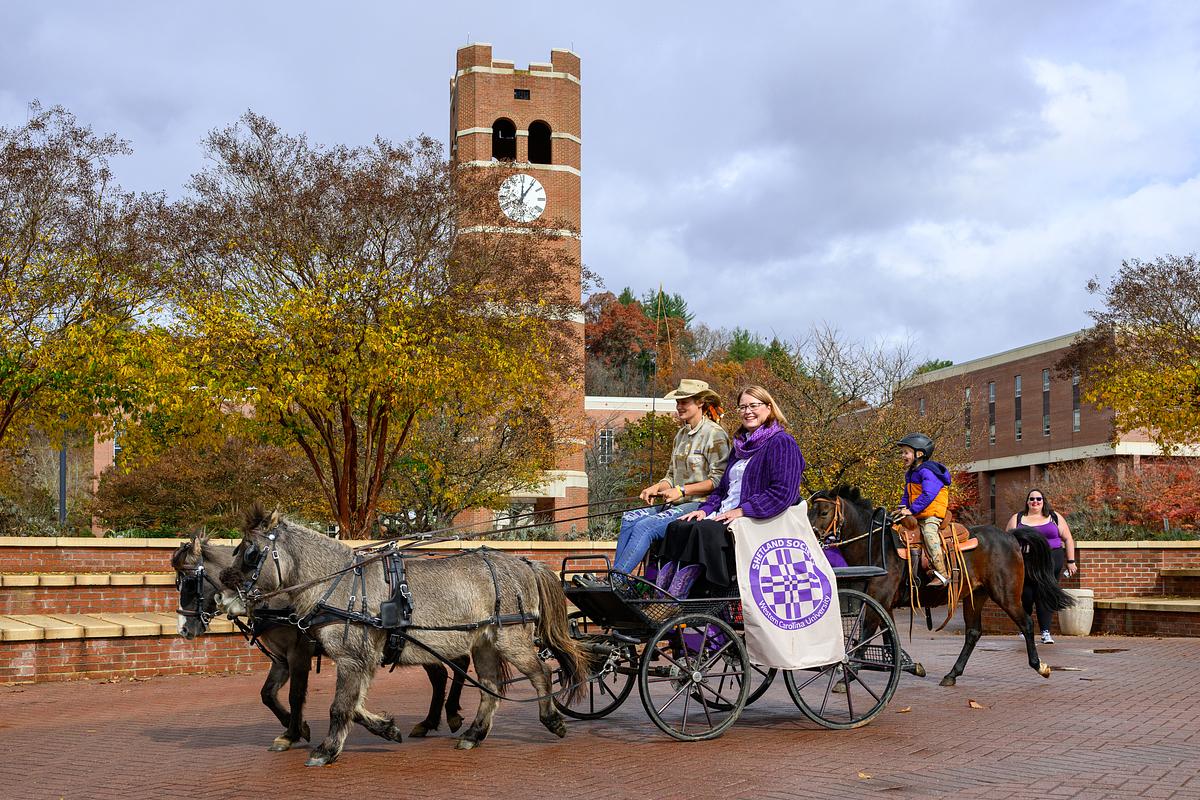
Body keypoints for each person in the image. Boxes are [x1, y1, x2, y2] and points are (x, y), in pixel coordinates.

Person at [658, 385, 804, 597]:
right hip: (726, 513)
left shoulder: (782, 443)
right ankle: (663, 593)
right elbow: (722, 489)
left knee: (703, 531)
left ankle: (696, 595)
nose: (747, 411)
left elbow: (783, 493)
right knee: (678, 527)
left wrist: (743, 510)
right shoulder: (740, 446)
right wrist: (706, 509)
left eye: (754, 405)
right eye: (742, 407)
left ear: (769, 407)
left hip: (756, 520)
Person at [610, 379, 731, 575]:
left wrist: (682, 490)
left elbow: (718, 481)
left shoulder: (715, 434)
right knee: (630, 518)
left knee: (645, 527)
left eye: (685, 402)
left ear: (700, 402)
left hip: (700, 504)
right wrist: (656, 488)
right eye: (678, 402)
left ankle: (617, 580)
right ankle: (615, 577)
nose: (679, 406)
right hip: (676, 503)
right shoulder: (680, 435)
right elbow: (671, 476)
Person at [1006, 489, 1077, 644]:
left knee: (1044, 594)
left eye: (1038, 499)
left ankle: (1045, 632)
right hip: (1027, 561)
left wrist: (1071, 561)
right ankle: (1025, 628)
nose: (1035, 502)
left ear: (1043, 501)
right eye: (1032, 499)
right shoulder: (1018, 518)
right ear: (1027, 501)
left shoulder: (1054, 517)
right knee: (1026, 595)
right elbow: (1006, 541)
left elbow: (1068, 538)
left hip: (1052, 559)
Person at [896, 433, 953, 587]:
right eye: (902, 452)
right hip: (919, 513)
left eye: (906, 452)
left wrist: (911, 510)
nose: (903, 455)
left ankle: (942, 572)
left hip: (931, 515)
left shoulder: (927, 471)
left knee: (929, 534)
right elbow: (906, 495)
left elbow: (928, 494)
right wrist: (901, 508)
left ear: (919, 454)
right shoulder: (910, 474)